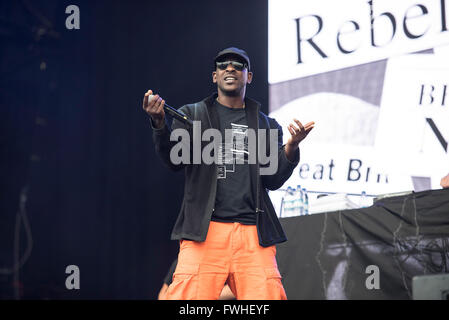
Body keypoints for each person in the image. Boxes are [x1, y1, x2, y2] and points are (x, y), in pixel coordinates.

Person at [143, 47, 314, 300]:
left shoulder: (267, 125)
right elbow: (173, 160)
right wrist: (159, 124)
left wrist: (291, 146)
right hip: (205, 232)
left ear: (249, 76)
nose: (230, 68)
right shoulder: (192, 115)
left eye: (238, 65)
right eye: (223, 65)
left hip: (253, 234)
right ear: (215, 76)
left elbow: (274, 179)